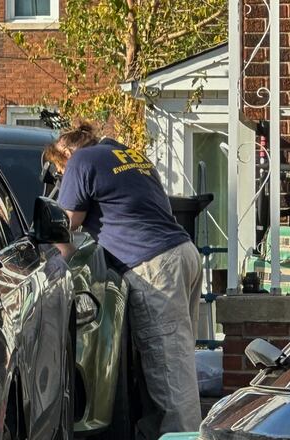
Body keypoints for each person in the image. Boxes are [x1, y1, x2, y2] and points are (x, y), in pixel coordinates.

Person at [54, 122, 203, 439]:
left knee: (169, 373)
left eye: (59, 171)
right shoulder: (129, 155)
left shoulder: (82, 161)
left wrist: (52, 270)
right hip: (183, 253)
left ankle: (184, 436)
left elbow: (62, 230)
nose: (63, 179)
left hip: (153, 268)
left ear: (66, 154)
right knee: (173, 363)